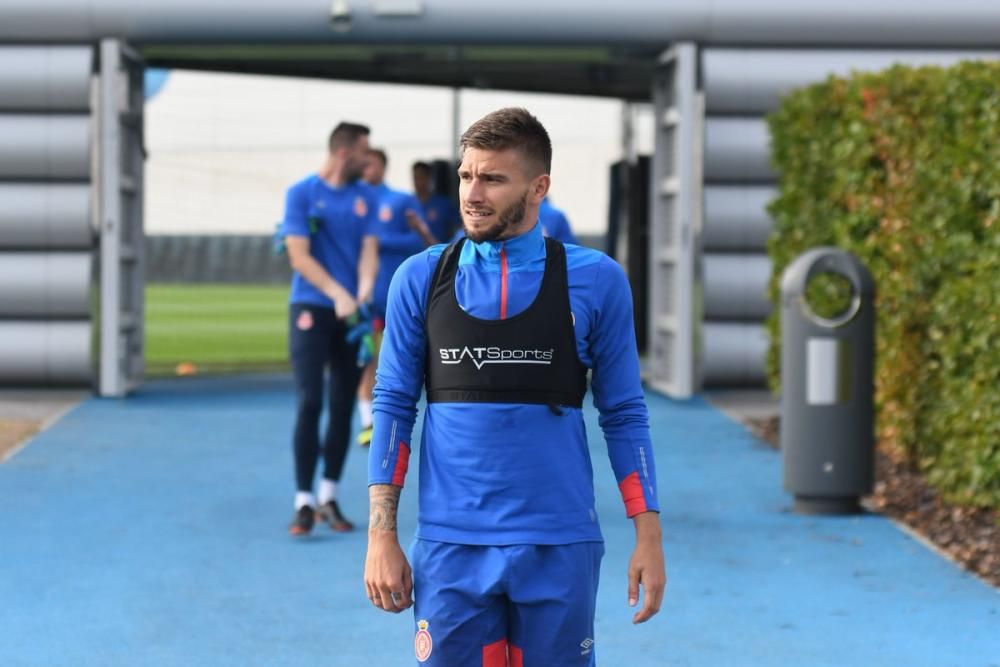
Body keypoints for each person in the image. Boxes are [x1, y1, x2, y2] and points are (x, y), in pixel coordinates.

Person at [364, 108, 666, 665]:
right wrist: (381, 536)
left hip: (559, 542)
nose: (472, 194)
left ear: (538, 187)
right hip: (453, 544)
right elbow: (393, 407)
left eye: (492, 179)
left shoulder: (597, 280)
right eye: (465, 176)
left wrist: (648, 534)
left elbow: (623, 412)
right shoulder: (420, 277)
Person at [281, 121, 379, 537]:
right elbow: (298, 256)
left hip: (349, 311)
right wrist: (337, 293)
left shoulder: (365, 198)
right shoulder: (301, 193)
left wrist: (361, 293)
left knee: (342, 404)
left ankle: (329, 495)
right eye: (363, 152)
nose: (368, 160)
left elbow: (368, 254)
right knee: (310, 401)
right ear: (343, 153)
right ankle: (303, 501)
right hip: (312, 306)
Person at [355, 148, 437, 447]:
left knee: (404, 356)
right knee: (367, 357)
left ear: (383, 166)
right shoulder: (353, 201)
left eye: (371, 162)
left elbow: (418, 238)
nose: (366, 168)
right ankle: (367, 420)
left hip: (396, 291)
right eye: (362, 163)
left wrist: (378, 242)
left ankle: (401, 420)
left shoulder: (400, 200)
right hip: (365, 294)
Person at [412, 160, 461, 243]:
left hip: (439, 251)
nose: (418, 182)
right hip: (413, 252)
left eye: (421, 177)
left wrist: (451, 247)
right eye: (416, 178)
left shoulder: (443, 204)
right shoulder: (408, 203)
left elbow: (461, 226)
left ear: (429, 178)